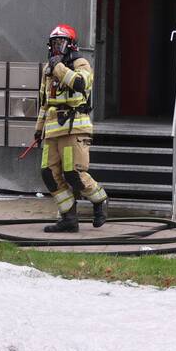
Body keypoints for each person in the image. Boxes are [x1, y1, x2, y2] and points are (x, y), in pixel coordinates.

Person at [34, 24, 108, 232]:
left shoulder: (80, 63)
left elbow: (79, 84)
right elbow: (45, 101)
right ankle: (68, 218)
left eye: (61, 42)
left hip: (74, 128)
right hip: (52, 130)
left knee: (73, 173)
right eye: (54, 43)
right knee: (49, 173)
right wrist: (39, 129)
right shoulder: (47, 70)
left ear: (71, 45)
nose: (57, 47)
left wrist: (58, 67)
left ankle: (100, 200)